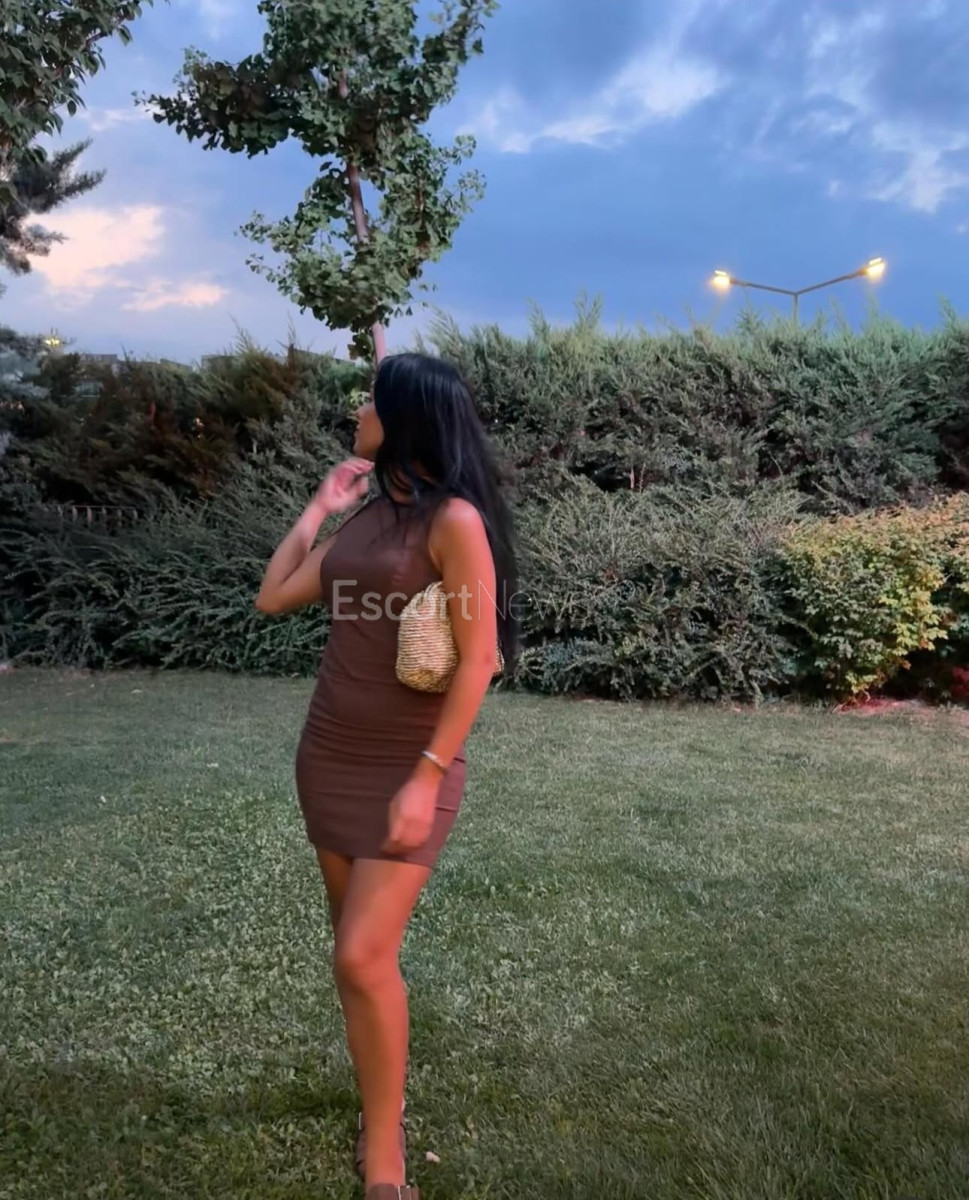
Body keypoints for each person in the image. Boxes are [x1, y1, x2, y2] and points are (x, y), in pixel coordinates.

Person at [255, 352, 517, 1200]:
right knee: (356, 957)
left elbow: (477, 659)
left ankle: (384, 1153)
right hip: (329, 752)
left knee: (362, 955)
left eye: (369, 401)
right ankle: (382, 1107)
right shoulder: (367, 518)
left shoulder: (455, 522)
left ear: (405, 418)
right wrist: (320, 507)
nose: (357, 412)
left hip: (410, 763)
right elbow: (273, 596)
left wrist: (426, 776)